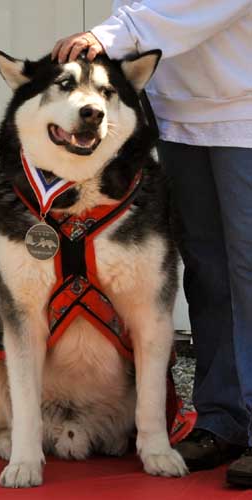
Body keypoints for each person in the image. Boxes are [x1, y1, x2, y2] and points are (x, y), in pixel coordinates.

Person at [52, 0, 252, 487]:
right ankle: (222, 419)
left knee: (248, 270)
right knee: (207, 272)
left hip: (244, 106)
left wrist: (117, 33)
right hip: (178, 109)